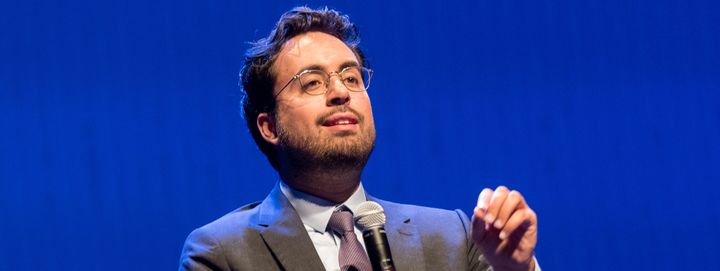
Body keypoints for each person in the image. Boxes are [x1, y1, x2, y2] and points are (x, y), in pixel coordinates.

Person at [179, 6, 540, 271]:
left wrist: (516, 268)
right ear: (269, 127)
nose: (341, 93)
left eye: (351, 78)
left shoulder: (454, 238)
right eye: (313, 82)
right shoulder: (221, 252)